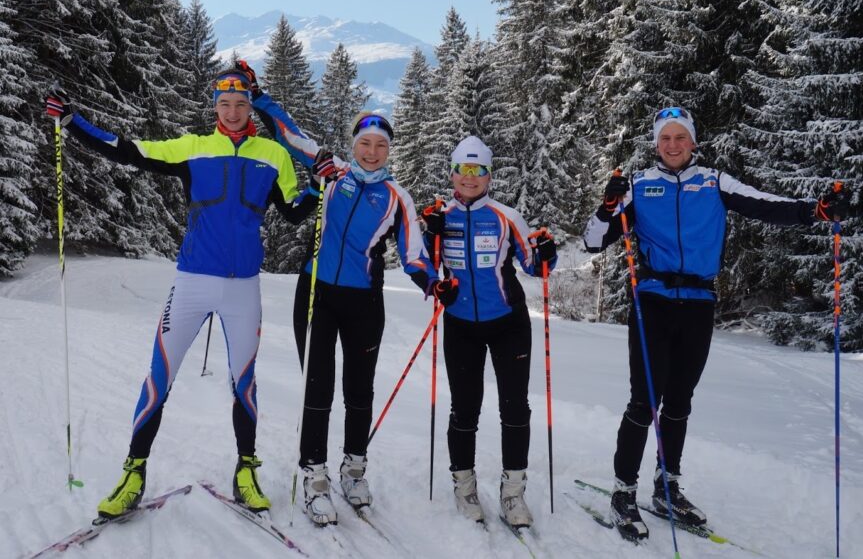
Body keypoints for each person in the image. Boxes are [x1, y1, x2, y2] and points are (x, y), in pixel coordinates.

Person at [582, 106, 852, 541]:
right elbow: (593, 241)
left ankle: (666, 486)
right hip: (652, 301)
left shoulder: (714, 181)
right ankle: (623, 491)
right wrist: (609, 204)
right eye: (665, 138)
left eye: (680, 137)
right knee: (644, 401)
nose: (673, 145)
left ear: (692, 142)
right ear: (656, 143)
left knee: (680, 401)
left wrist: (817, 211)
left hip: (698, 302)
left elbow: (768, 206)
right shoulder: (638, 185)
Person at [44, 67, 303, 518]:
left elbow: (296, 210)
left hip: (243, 290)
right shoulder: (193, 148)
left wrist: (322, 182)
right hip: (192, 284)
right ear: (215, 107)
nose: (233, 111)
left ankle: (246, 469)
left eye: (241, 103)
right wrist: (73, 122)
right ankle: (133, 471)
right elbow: (129, 151)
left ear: (250, 107)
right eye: (225, 103)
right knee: (158, 377)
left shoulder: (274, 156)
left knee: (245, 383)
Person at [244, 62, 456, 526]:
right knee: (316, 386)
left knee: (359, 390)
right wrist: (257, 96)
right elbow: (287, 133)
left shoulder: (397, 197)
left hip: (364, 302)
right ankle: (314, 473)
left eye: (381, 145)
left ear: (389, 150)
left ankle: (354, 468)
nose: (373, 151)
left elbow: (415, 254)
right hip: (317, 294)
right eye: (365, 143)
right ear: (352, 144)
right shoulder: (331, 171)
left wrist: (433, 282)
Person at [420, 136, 557, 528]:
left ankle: (513, 492)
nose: (469, 178)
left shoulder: (506, 216)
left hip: (508, 323)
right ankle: (464, 484)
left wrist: (547, 252)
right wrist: (432, 256)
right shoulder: (439, 216)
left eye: (477, 170)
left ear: (489, 176)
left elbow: (534, 265)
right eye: (462, 169)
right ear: (452, 173)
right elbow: (422, 265)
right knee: (465, 407)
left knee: (515, 407)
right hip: (460, 325)